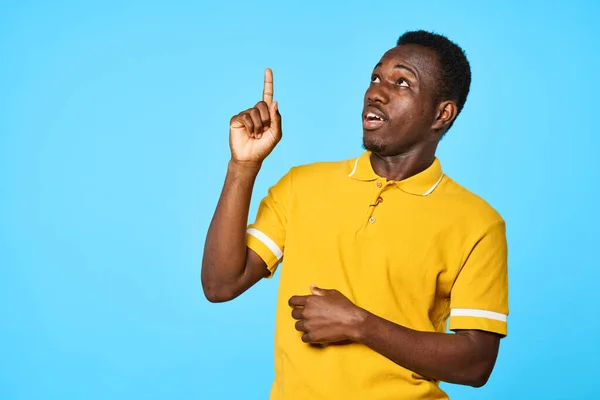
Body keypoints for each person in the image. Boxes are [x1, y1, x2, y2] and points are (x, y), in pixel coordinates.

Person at [201, 30, 509, 400]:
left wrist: (359, 324)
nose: (376, 92)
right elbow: (221, 285)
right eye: (376, 77)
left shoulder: (478, 223)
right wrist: (243, 165)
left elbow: (476, 363)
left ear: (441, 114)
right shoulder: (302, 185)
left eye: (402, 83)